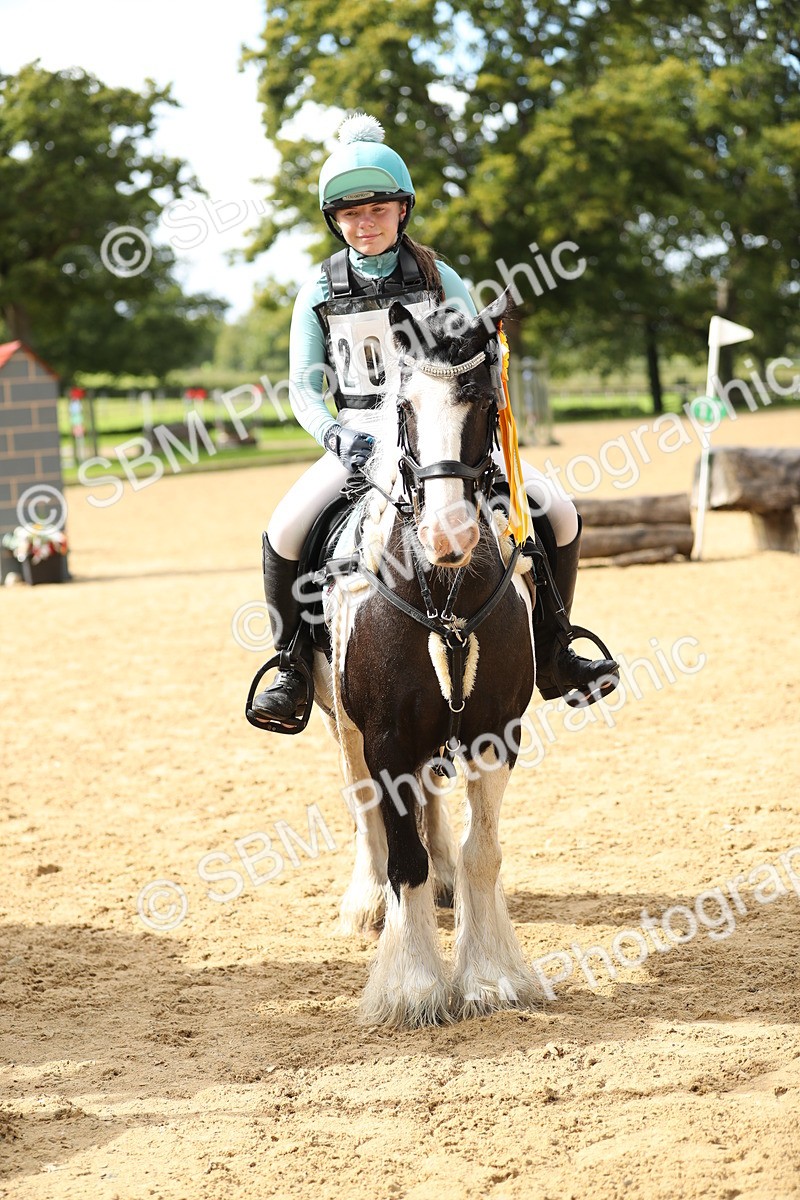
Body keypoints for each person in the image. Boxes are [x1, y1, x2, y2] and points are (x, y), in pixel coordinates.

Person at [250, 113, 618, 727]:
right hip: (360, 440)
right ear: (335, 220)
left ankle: (556, 648)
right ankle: (290, 667)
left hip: (443, 438)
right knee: (285, 528)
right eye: (351, 213)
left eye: (378, 210)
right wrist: (335, 434)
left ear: (402, 210)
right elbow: (304, 390)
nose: (365, 223)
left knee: (559, 512)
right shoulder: (317, 290)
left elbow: (478, 356)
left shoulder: (438, 279)